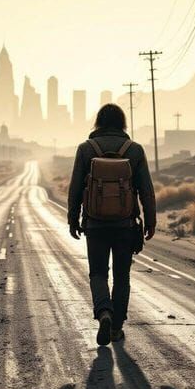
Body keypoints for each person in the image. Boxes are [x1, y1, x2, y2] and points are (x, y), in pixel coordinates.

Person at [67, 103, 156, 346]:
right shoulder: (134, 150)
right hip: (126, 225)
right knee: (122, 276)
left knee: (97, 273)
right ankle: (116, 328)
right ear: (122, 123)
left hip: (95, 225)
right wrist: (151, 220)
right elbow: (146, 190)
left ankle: (104, 312)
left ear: (98, 122)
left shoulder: (86, 149)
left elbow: (75, 188)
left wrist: (72, 218)